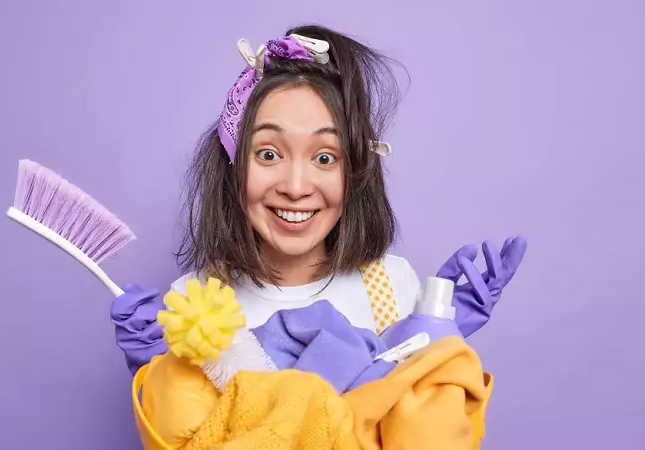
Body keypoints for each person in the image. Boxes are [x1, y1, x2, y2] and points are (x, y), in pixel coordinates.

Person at [111, 24, 527, 449]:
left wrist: (437, 337)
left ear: (356, 174)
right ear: (233, 167)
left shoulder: (390, 286)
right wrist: (156, 375)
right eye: (268, 154)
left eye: (325, 157)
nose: (295, 185)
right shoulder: (196, 302)